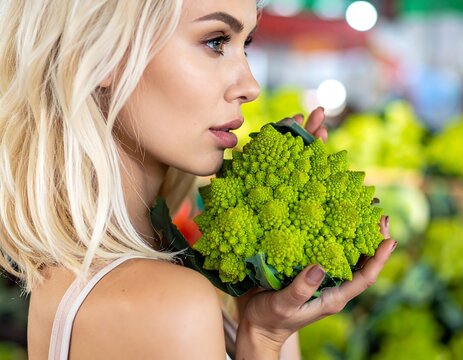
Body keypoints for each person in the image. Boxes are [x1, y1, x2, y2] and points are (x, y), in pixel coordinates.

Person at [0, 0, 396, 359]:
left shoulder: (78, 271)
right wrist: (261, 343)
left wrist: (268, 321)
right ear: (103, 54)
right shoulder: (167, 306)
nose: (250, 87)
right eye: (215, 41)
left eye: (247, 44)